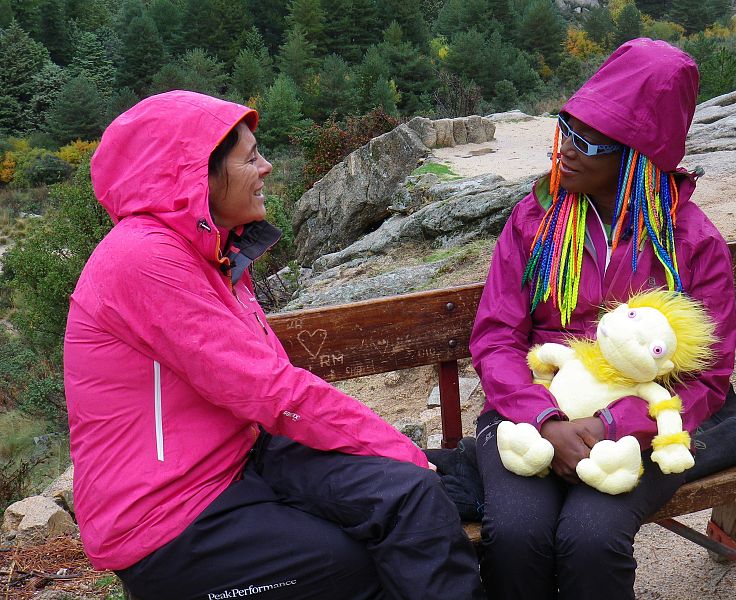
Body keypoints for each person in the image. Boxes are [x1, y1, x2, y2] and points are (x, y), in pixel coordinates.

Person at [63, 90, 484, 600]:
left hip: (239, 459)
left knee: (410, 497)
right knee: (352, 564)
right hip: (168, 515)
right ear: (198, 175)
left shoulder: (211, 248)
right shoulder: (144, 260)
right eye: (250, 157)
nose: (265, 167)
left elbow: (268, 385)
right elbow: (270, 390)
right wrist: (401, 451)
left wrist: (404, 464)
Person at [469, 38, 736, 599]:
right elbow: (497, 337)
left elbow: (708, 379)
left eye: (589, 139)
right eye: (565, 127)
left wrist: (613, 426)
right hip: (529, 408)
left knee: (591, 538)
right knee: (516, 533)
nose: (565, 148)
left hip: (643, 424)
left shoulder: (691, 242)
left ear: (638, 157)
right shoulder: (534, 221)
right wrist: (545, 419)